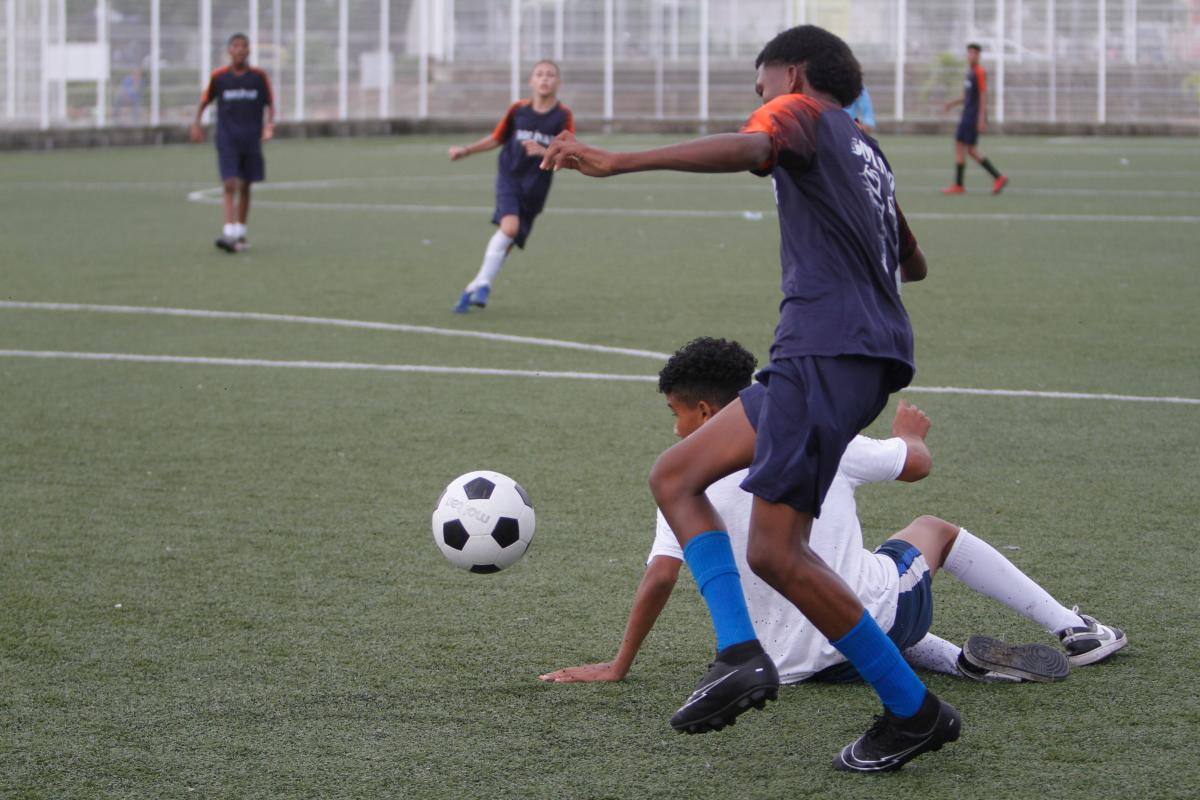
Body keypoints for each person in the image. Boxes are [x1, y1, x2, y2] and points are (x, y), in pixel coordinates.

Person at [541, 25, 954, 772]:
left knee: (773, 552)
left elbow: (750, 146)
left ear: (792, 73)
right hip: (851, 354)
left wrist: (619, 160)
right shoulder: (867, 150)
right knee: (676, 475)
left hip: (825, 349)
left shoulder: (798, 113)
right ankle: (740, 654)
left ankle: (910, 710)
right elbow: (913, 262)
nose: (757, 99)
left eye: (760, 84)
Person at [538, 337, 1127, 690]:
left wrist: (618, 665)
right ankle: (1076, 631)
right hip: (853, 631)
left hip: (787, 666)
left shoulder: (681, 483)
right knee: (931, 532)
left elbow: (661, 576)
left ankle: (957, 663)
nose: (674, 429)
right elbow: (915, 466)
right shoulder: (813, 434)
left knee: (854, 580)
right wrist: (909, 434)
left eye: (675, 413)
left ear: (704, 410)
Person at [447, 61, 574, 313]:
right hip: (510, 177)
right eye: (539, 74)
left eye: (550, 75)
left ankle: (473, 287)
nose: (545, 79)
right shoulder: (518, 110)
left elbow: (570, 153)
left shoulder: (563, 116)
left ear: (558, 83)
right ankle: (484, 285)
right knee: (510, 228)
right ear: (531, 81)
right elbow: (497, 138)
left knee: (507, 242)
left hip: (536, 187)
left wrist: (545, 151)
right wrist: (466, 150)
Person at [190, 33, 274, 253]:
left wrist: (268, 126)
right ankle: (228, 232)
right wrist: (196, 124)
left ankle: (240, 232)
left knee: (246, 184)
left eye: (244, 46)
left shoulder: (258, 77)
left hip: (251, 138)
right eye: (236, 46)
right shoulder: (219, 77)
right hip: (227, 138)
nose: (240, 50)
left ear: (249, 50)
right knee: (229, 183)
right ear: (229, 50)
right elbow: (204, 101)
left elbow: (270, 103)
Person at [942, 43, 1007, 195]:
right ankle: (961, 184)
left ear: (978, 55)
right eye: (969, 53)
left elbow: (983, 95)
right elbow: (966, 96)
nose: (970, 56)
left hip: (972, 116)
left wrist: (981, 119)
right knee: (963, 147)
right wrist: (952, 103)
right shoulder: (970, 72)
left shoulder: (979, 72)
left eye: (973, 53)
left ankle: (997, 177)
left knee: (969, 149)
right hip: (967, 115)